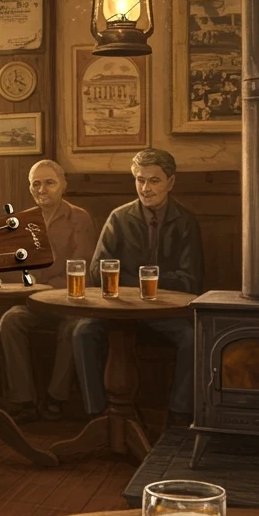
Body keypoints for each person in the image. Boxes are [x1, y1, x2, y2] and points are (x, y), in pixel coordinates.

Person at [72, 147, 204, 428]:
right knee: (83, 331)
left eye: (154, 180)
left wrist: (138, 281)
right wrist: (145, 284)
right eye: (140, 180)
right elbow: (97, 272)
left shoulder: (186, 222)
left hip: (164, 314)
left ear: (170, 182)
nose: (145, 188)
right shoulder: (118, 218)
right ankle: (97, 414)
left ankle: (178, 417)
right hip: (120, 310)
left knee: (193, 340)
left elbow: (190, 281)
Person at [0, 160, 97, 422]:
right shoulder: (22, 221)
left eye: (49, 183)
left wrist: (45, 286)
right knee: (11, 320)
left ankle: (56, 397)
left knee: (72, 326)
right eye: (36, 184)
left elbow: (82, 265)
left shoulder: (79, 217)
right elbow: (15, 267)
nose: (42, 189)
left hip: (70, 303)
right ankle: (24, 399)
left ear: (63, 185)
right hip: (34, 303)